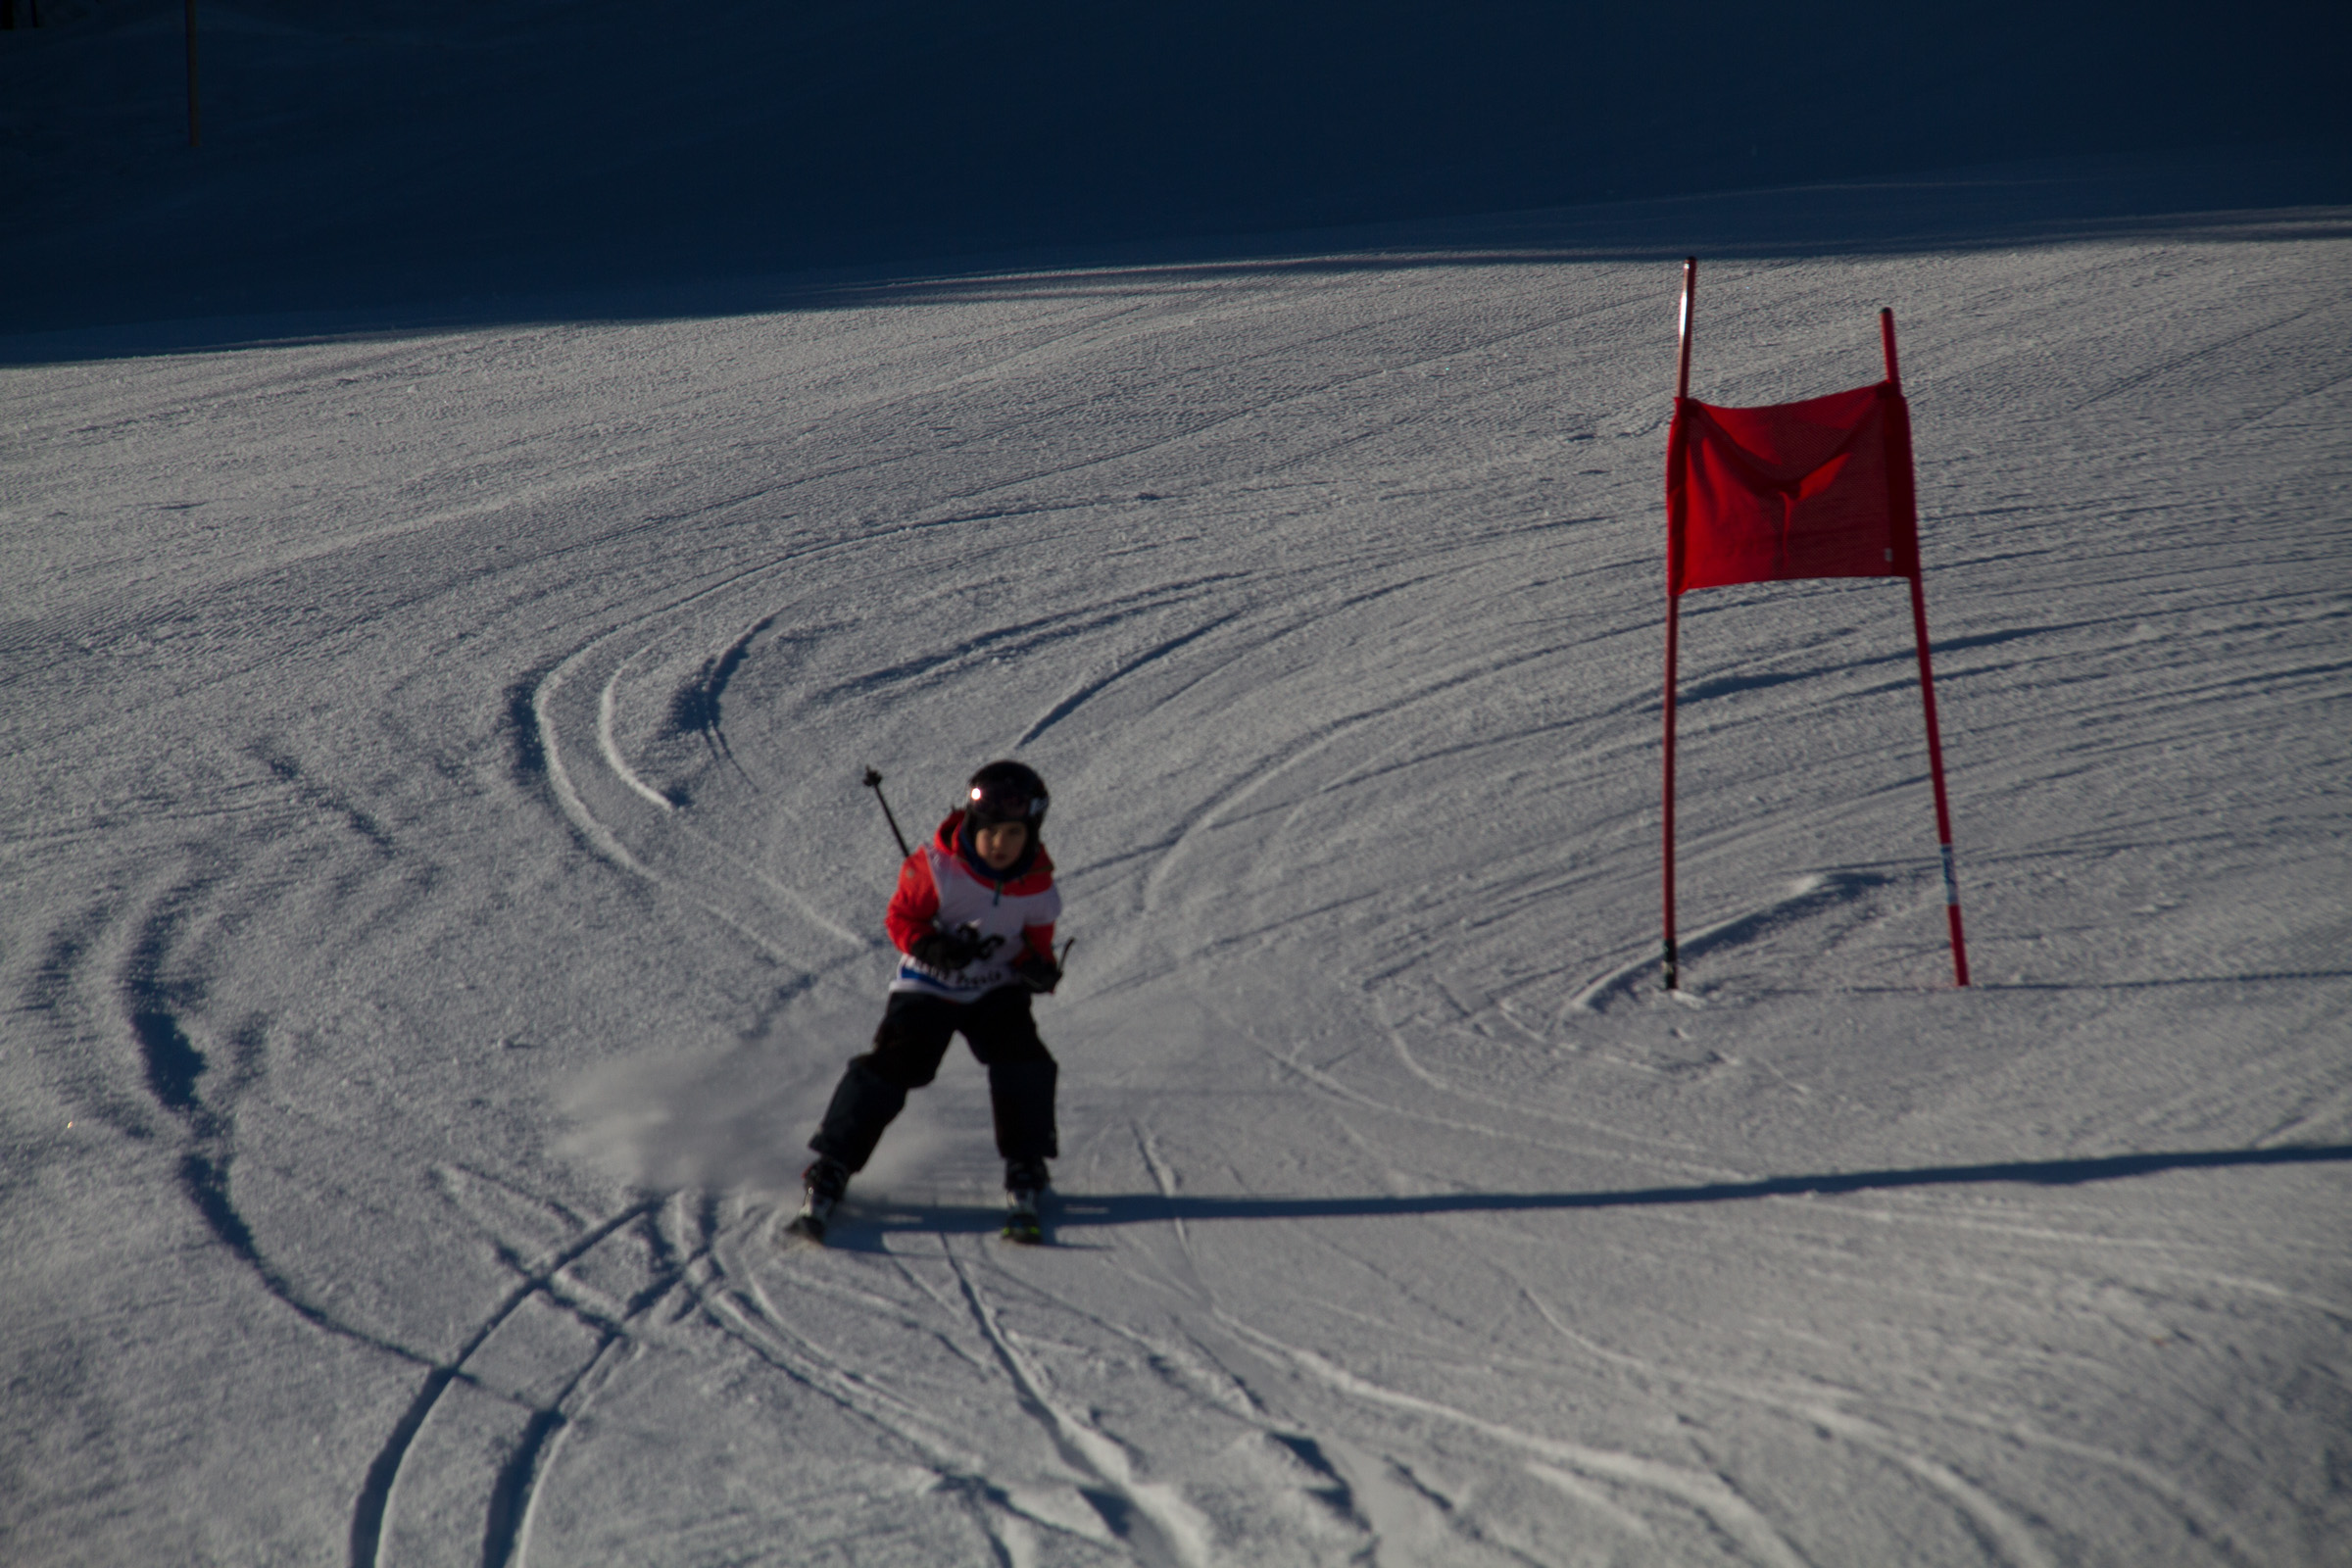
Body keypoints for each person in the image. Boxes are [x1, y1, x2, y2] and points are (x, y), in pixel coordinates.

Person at [785, 760, 1065, 1245]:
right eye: (990, 832)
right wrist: (931, 947)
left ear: (1031, 833)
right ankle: (833, 1162)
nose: (1000, 844)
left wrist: (1038, 970)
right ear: (973, 824)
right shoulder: (937, 870)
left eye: (1013, 833)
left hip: (995, 988)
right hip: (929, 986)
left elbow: (1036, 946)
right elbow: (901, 920)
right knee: (898, 1061)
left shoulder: (1039, 888)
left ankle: (1026, 1162)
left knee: (1024, 1058)